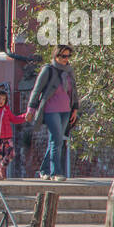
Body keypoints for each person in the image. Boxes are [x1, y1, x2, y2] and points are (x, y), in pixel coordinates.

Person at [25, 45, 79, 180]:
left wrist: (75, 109)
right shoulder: (47, 70)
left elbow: (74, 91)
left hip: (66, 110)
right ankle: (56, 173)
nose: (66, 59)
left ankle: (44, 170)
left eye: (68, 56)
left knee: (55, 140)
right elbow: (36, 91)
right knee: (57, 139)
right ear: (56, 56)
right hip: (51, 110)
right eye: (63, 56)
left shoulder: (69, 72)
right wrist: (31, 109)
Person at [0, 89, 27, 180]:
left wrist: (25, 117)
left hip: (7, 137)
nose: (1, 101)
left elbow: (14, 119)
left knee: (11, 154)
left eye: (3, 99)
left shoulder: (6, 110)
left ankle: (3, 167)